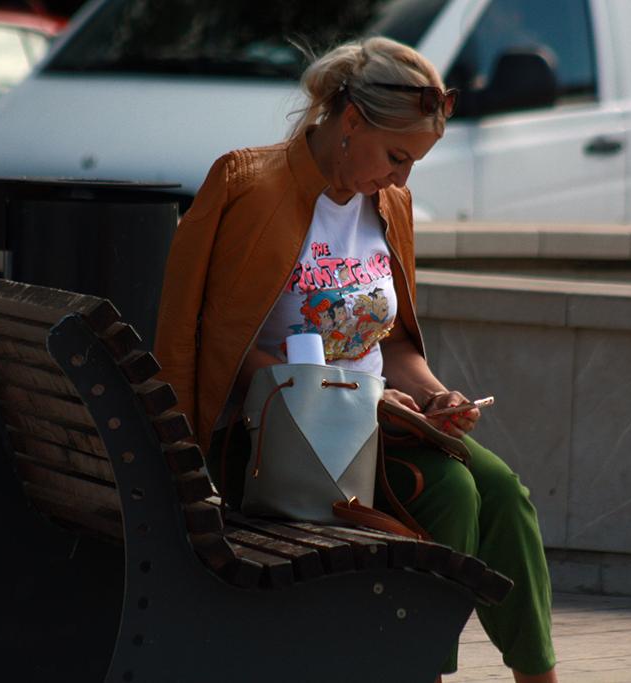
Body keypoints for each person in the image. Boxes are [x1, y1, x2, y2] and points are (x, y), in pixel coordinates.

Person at [154, 36, 557, 683]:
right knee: (452, 491)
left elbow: (389, 341)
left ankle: (535, 677)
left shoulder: (388, 203)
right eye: (397, 156)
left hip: (379, 424)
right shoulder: (247, 185)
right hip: (279, 437)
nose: (402, 179)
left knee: (506, 493)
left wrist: (433, 395)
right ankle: (416, 669)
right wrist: (357, 398)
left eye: (414, 163)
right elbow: (219, 346)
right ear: (350, 121)